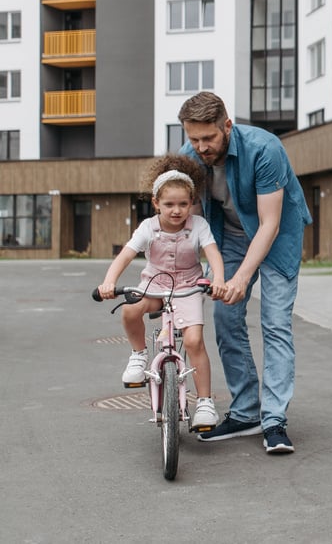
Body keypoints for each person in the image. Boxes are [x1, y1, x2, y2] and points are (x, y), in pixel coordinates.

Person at [178, 91, 312, 454]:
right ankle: (246, 412)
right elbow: (196, 221)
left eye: (209, 138)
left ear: (227, 126)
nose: (202, 147)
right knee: (225, 317)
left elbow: (268, 223)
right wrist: (215, 272)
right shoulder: (190, 159)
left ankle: (274, 420)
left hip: (278, 235)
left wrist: (241, 279)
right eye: (194, 139)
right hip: (232, 240)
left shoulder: (264, 148)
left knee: (275, 322)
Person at [97, 154, 226, 430]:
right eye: (168, 204)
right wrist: (109, 282)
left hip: (188, 288)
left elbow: (213, 254)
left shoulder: (199, 226)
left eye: (183, 204)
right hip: (154, 285)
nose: (176, 211)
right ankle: (138, 353)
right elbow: (125, 256)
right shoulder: (148, 227)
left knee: (193, 341)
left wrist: (220, 280)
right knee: (131, 308)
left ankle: (204, 402)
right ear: (156, 203)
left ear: (192, 203)